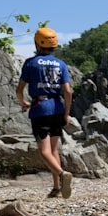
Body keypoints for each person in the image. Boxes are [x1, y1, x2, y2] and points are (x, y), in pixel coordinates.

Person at [16, 27, 74, 199]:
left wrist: (23, 102)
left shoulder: (31, 63)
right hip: (58, 107)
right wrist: (66, 113)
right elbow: (68, 91)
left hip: (40, 108)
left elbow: (19, 90)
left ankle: (63, 175)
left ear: (37, 43)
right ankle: (56, 187)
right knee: (54, 149)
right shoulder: (61, 64)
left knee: (44, 151)